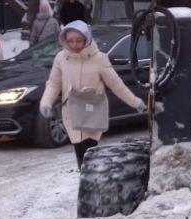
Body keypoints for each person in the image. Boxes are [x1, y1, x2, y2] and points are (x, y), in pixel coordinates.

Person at [39, 20, 146, 168]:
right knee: (79, 152)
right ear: (65, 40)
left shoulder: (99, 58)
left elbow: (116, 84)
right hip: (71, 112)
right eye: (70, 41)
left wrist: (136, 102)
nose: (74, 45)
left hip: (92, 111)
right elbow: (53, 84)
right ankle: (86, 182)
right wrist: (46, 103)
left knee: (89, 152)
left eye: (78, 40)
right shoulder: (61, 58)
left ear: (86, 39)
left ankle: (91, 182)